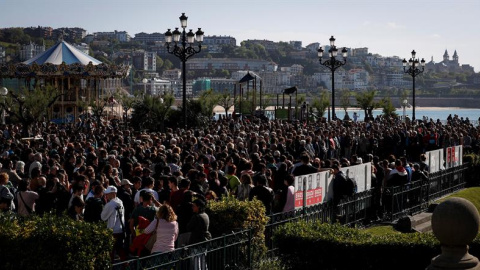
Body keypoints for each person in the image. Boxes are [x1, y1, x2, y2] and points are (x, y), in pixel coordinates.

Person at [101, 186, 126, 261]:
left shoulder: (110, 204)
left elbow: (103, 217)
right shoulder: (120, 202)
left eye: (108, 194)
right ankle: (125, 266)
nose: (106, 196)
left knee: (111, 251)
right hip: (120, 229)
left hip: (112, 231)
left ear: (113, 194)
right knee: (120, 250)